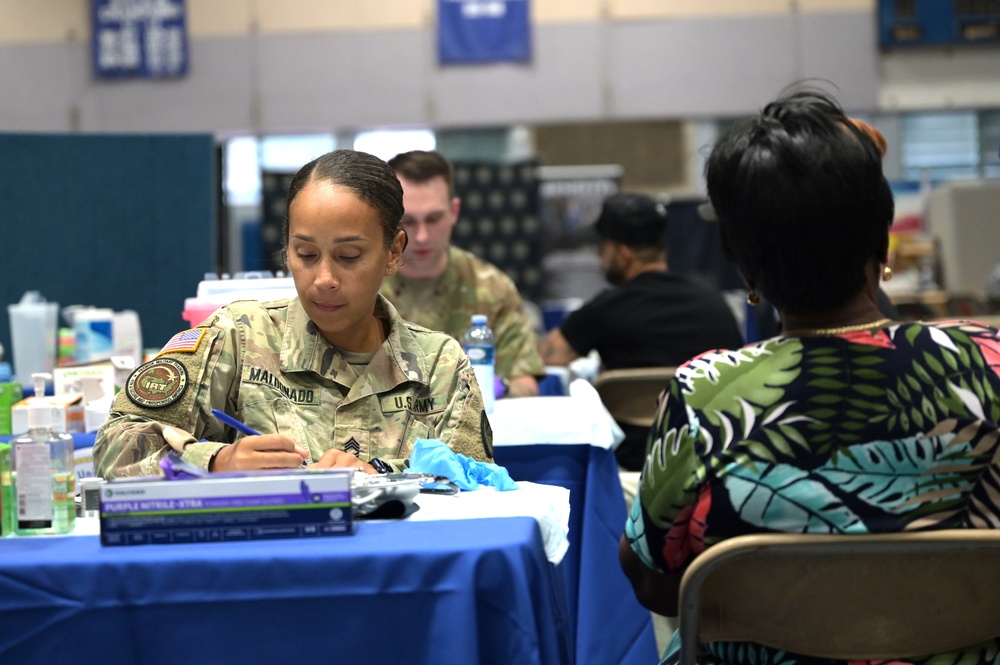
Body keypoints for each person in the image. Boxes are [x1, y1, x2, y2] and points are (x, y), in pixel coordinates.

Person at [619, 89, 1000, 665]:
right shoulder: (988, 363)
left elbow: (652, 580)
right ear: (883, 238)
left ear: (743, 262)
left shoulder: (707, 394)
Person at [95, 149, 493, 479]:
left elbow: (478, 485)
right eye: (304, 254)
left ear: (394, 252)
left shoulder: (440, 365)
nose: (324, 279)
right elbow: (114, 445)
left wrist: (381, 474)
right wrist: (216, 462)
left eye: (349, 256)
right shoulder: (238, 337)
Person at [538, 192, 744, 472]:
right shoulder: (715, 305)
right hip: (711, 466)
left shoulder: (605, 310)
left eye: (603, 246)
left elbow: (547, 357)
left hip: (633, 474)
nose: (599, 255)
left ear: (623, 254)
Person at [379, 150, 545, 398]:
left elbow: (527, 386)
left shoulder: (492, 289)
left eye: (434, 218)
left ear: (454, 212)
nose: (422, 236)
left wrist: (501, 387)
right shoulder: (364, 285)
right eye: (409, 221)